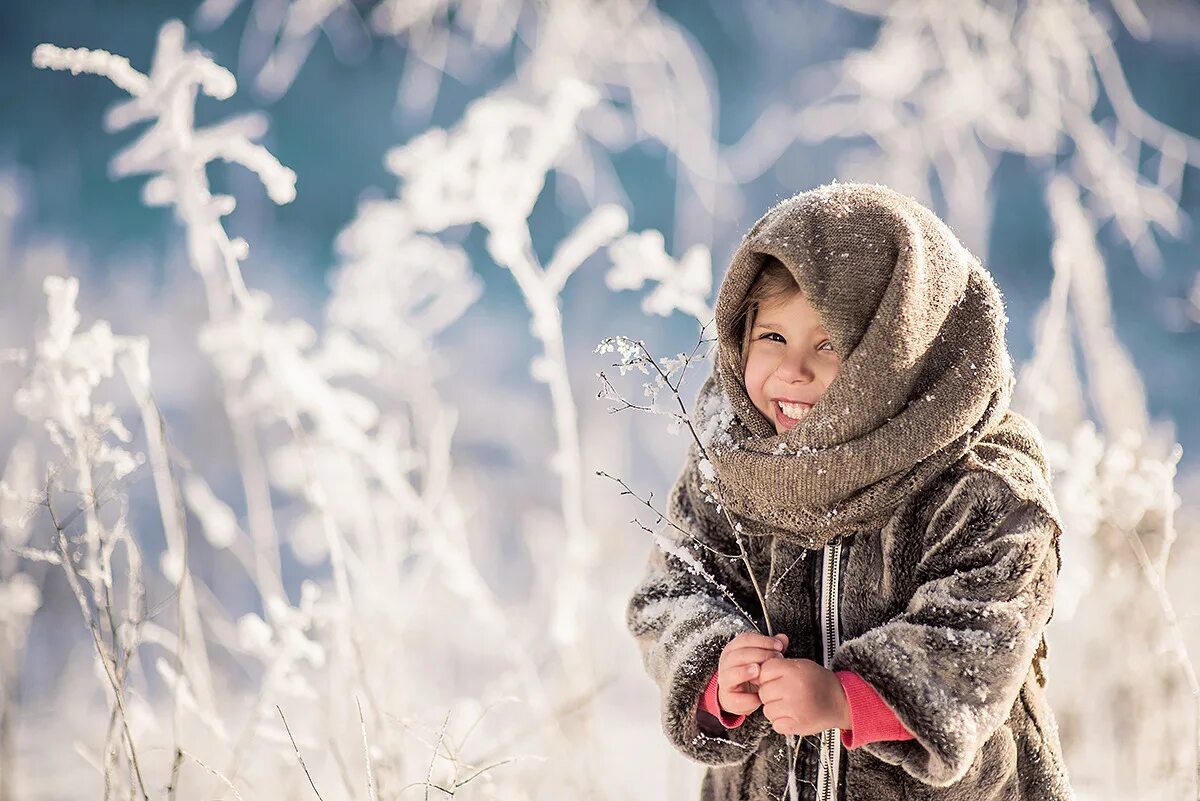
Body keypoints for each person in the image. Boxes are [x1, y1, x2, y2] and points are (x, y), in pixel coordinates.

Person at [624, 182, 1071, 801]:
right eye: (772, 337)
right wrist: (716, 666)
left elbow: (983, 634)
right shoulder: (735, 463)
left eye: (831, 345)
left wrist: (846, 698)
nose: (793, 371)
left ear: (900, 354)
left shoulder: (980, 488)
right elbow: (673, 588)